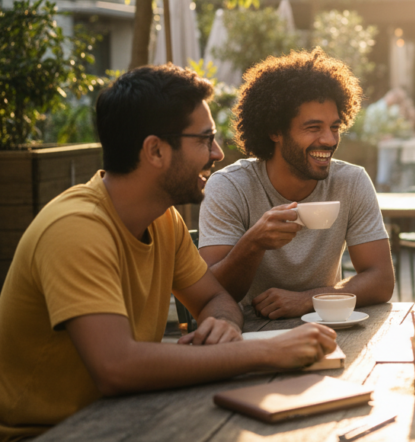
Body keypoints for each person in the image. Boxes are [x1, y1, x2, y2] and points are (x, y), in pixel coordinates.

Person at [0, 66, 337, 440]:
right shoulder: (75, 228)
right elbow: (116, 366)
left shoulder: (164, 221)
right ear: (155, 150)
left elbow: (216, 298)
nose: (217, 152)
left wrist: (222, 325)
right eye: (205, 139)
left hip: (127, 416)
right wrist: (269, 352)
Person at [199, 49, 393, 319]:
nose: (329, 140)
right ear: (275, 131)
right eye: (313, 128)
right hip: (249, 332)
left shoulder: (351, 181)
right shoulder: (230, 187)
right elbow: (209, 293)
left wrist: (308, 300)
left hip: (328, 328)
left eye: (335, 127)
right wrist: (253, 243)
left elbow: (381, 281)